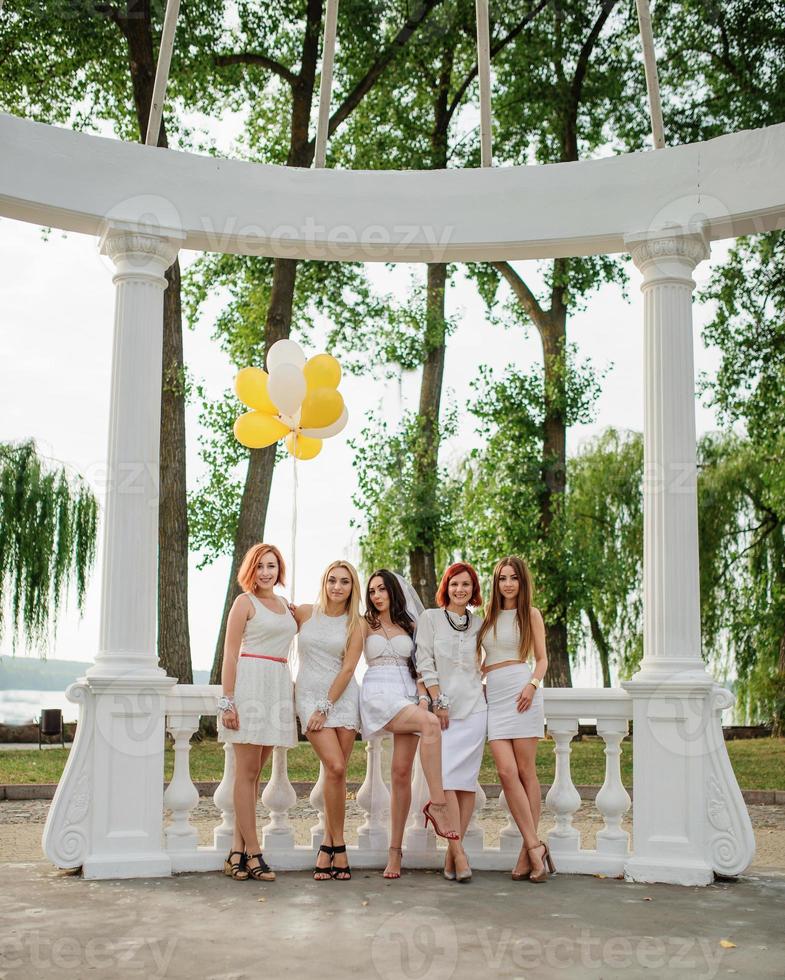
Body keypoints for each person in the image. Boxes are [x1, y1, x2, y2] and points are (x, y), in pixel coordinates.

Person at [359, 569, 463, 879]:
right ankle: (439, 805)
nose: (377, 595)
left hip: (407, 694)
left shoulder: (412, 625)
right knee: (431, 724)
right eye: (372, 590)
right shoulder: (365, 624)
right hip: (378, 692)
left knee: (400, 772)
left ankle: (395, 852)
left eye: (382, 589)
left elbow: (421, 669)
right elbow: (347, 654)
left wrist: (421, 698)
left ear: (393, 591)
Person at [218, 543, 297, 883]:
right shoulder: (243, 603)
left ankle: (236, 851)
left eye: (272, 565)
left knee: (254, 776)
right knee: (246, 774)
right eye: (261, 565)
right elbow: (231, 653)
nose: (267, 571)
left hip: (277, 686)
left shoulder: (286, 607)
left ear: (279, 570)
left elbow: (325, 614)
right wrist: (228, 700)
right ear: (251, 569)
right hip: (250, 687)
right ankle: (255, 853)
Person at [478, 555, 554, 883]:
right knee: (506, 772)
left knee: (525, 772)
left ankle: (528, 850)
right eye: (502, 578)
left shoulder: (531, 615)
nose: (507, 584)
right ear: (496, 583)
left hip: (522, 692)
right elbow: (481, 659)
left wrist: (532, 686)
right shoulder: (488, 615)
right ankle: (536, 846)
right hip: (493, 694)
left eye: (513, 578)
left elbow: (542, 659)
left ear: (522, 582)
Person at [416, 562, 486, 882]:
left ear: (473, 590)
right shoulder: (430, 619)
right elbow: (424, 661)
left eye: (466, 585)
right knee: (445, 782)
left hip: (475, 710)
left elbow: (484, 664)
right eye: (455, 584)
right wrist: (438, 700)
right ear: (446, 586)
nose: (460, 590)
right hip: (444, 712)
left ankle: (452, 853)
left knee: (465, 783)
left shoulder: (480, 624)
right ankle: (458, 852)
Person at [294, 560, 363, 881]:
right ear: (324, 582)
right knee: (334, 767)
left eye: (345, 582)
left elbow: (349, 669)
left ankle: (330, 844)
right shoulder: (305, 613)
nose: (337, 587)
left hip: (343, 699)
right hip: (308, 696)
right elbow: (273, 625)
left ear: (352, 588)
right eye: (332, 580)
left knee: (337, 773)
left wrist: (327, 706)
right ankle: (337, 844)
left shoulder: (356, 623)